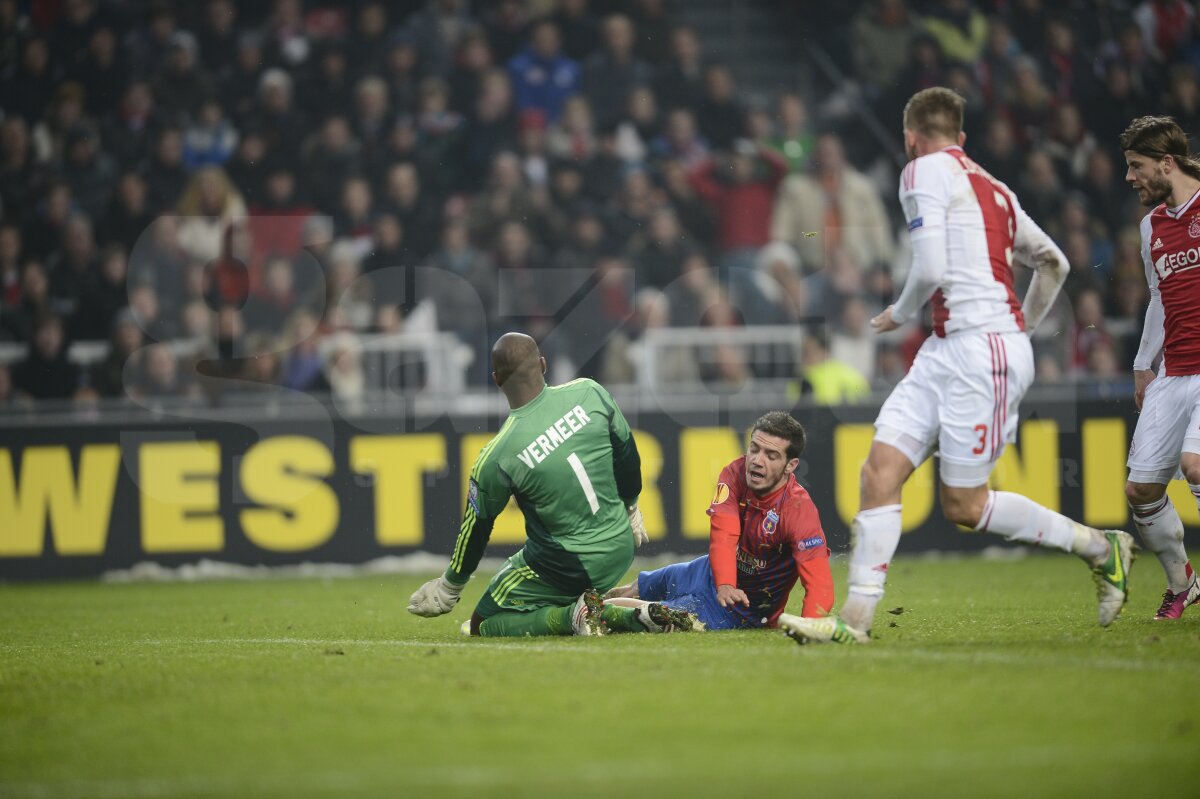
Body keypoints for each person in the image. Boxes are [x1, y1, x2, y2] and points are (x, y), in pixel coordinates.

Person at [780, 87, 1134, 646]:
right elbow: (1054, 263)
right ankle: (854, 623)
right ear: (963, 139)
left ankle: (1099, 547)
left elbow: (931, 264)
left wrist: (900, 310)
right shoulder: (995, 190)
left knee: (964, 506)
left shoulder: (920, 171)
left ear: (910, 137)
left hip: (979, 352)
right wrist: (1023, 328)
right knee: (879, 472)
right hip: (949, 349)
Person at [407, 332, 697, 637]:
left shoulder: (497, 455)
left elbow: (476, 529)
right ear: (543, 364)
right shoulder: (590, 391)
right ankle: (633, 615)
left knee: (484, 623)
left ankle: (577, 617)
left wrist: (450, 585)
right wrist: (632, 504)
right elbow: (627, 453)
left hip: (567, 565)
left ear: (496, 380)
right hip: (622, 545)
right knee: (554, 590)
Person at [605, 412, 834, 630]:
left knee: (655, 615)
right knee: (638, 587)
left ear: (791, 465)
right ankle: (583, 603)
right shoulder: (734, 473)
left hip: (738, 611)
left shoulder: (798, 511)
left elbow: (819, 582)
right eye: (754, 449)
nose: (757, 460)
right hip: (708, 572)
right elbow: (724, 533)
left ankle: (586, 614)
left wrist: (810, 627)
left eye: (771, 455)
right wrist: (725, 583)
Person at [1120, 115, 1200, 619]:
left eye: (1137, 166)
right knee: (1141, 490)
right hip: (1173, 371)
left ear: (1166, 164)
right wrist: (1142, 365)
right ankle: (1182, 582)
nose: (1130, 177)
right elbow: (1156, 297)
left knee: (1195, 466)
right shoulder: (1151, 226)